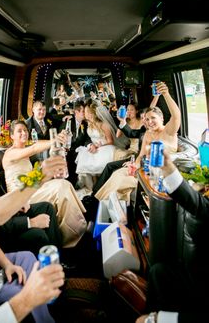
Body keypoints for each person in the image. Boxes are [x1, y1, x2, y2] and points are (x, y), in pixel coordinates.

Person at [0, 166, 62, 323]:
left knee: (27, 257)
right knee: (15, 292)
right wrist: (39, 176)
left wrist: (7, 265)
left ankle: (47, 306)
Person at [136, 150, 209, 323]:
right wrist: (168, 168)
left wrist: (157, 320)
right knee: (159, 271)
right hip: (200, 280)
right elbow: (199, 205)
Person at [2, 120, 87, 247]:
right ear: (12, 136)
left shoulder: (23, 153)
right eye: (19, 131)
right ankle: (76, 232)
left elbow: (32, 174)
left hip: (30, 189)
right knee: (60, 187)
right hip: (20, 197)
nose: (24, 133)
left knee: (63, 183)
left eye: (25, 130)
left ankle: (78, 226)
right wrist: (53, 140)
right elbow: (34, 147)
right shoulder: (10, 154)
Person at [0, 135, 62, 256]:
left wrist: (16, 204)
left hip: (5, 218)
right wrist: (30, 222)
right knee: (37, 235)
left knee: (47, 207)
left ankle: (57, 257)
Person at [95, 82, 181, 201]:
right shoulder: (148, 134)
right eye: (146, 119)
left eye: (153, 118)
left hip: (161, 175)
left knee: (120, 179)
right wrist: (135, 164)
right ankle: (99, 203)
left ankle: (103, 204)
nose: (149, 122)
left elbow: (176, 116)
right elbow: (141, 155)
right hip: (145, 170)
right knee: (117, 174)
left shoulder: (168, 131)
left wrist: (165, 94)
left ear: (162, 118)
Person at [75, 99, 128, 190]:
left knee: (95, 163)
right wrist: (92, 145)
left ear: (92, 113)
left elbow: (110, 141)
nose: (85, 114)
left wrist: (99, 146)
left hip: (105, 147)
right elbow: (89, 139)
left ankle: (98, 187)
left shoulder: (104, 124)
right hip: (94, 147)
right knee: (83, 155)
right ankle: (91, 187)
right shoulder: (88, 124)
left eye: (87, 111)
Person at [58, 100, 91, 186]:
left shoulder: (86, 124)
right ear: (76, 112)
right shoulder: (68, 122)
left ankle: (73, 184)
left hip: (78, 151)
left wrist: (88, 146)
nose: (85, 113)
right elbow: (60, 137)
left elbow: (87, 138)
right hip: (66, 150)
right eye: (83, 111)